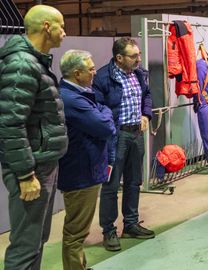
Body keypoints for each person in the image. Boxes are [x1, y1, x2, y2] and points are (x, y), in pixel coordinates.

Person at [0, 5, 67, 270]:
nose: (65, 31)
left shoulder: (34, 63)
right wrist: (26, 175)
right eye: (61, 25)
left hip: (43, 164)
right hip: (33, 169)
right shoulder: (22, 64)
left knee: (37, 240)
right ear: (47, 27)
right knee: (26, 246)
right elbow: (10, 124)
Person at [93, 37, 153, 252]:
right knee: (110, 185)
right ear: (119, 57)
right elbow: (97, 107)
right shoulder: (102, 77)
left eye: (139, 54)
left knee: (134, 181)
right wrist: (111, 127)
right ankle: (108, 230)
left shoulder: (138, 73)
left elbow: (147, 94)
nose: (139, 59)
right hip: (116, 137)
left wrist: (146, 114)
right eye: (134, 56)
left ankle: (130, 224)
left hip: (136, 135)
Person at [58, 50, 116, 270]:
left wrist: (102, 110)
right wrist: (106, 110)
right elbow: (105, 127)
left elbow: (101, 115)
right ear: (77, 73)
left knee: (78, 229)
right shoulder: (71, 99)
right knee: (75, 232)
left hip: (85, 169)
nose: (94, 72)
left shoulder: (79, 94)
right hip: (80, 173)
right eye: (90, 69)